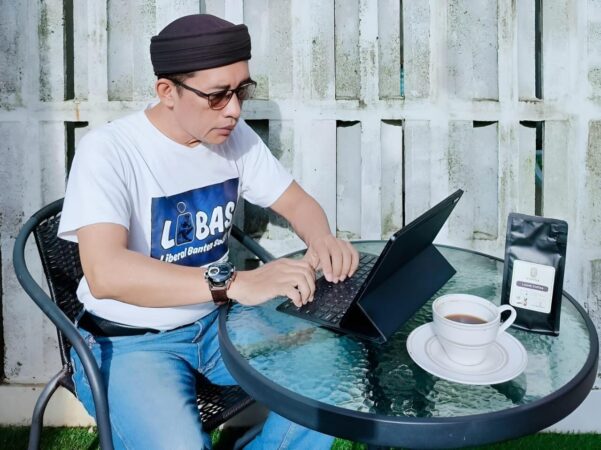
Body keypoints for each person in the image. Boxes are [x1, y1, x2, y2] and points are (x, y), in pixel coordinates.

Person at [58, 13, 359, 450]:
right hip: (127, 341)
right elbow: (107, 273)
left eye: (241, 91)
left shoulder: (234, 138)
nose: (234, 110)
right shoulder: (108, 152)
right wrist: (235, 283)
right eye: (217, 96)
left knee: (332, 373)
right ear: (167, 92)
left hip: (218, 327)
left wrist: (322, 240)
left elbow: (297, 203)